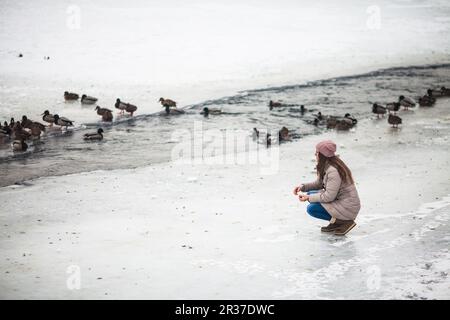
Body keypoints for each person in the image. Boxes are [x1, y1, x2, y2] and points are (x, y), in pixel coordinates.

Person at [293, 140, 361, 235]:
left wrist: (308, 198)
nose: (315, 154)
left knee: (311, 208)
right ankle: (336, 222)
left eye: (317, 153)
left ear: (322, 155)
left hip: (348, 207)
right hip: (341, 202)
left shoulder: (333, 171)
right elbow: (319, 184)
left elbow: (329, 197)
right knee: (310, 194)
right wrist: (303, 187)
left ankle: (344, 222)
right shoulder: (327, 165)